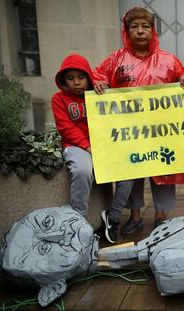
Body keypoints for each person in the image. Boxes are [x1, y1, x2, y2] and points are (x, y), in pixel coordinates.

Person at [93, 7, 184, 233]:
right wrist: (99, 82)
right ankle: (135, 216)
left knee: (164, 170)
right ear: (127, 31)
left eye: (145, 26)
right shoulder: (115, 60)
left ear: (152, 31)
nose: (140, 31)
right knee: (132, 172)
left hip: (163, 132)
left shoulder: (168, 60)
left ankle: (161, 216)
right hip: (128, 132)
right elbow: (97, 74)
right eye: (134, 26)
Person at [51, 53, 133, 244]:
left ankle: (112, 219)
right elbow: (66, 128)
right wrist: (88, 147)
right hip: (76, 146)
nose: (76, 82)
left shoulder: (99, 95)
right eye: (70, 78)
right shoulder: (59, 99)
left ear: (89, 77)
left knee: (129, 172)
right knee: (82, 170)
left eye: (81, 77)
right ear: (64, 80)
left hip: (104, 144)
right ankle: (78, 220)